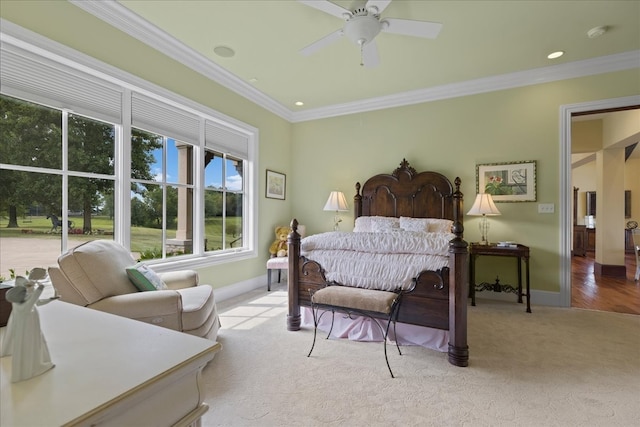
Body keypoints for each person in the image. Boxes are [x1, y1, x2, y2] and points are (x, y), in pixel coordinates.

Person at [0, 277, 55, 382]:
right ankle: (35, 367)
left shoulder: (17, 303)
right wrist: (40, 286)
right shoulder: (24, 306)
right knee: (32, 345)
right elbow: (34, 298)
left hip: (29, 327)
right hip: (29, 329)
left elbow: (37, 301)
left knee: (31, 345)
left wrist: (51, 299)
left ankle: (34, 365)